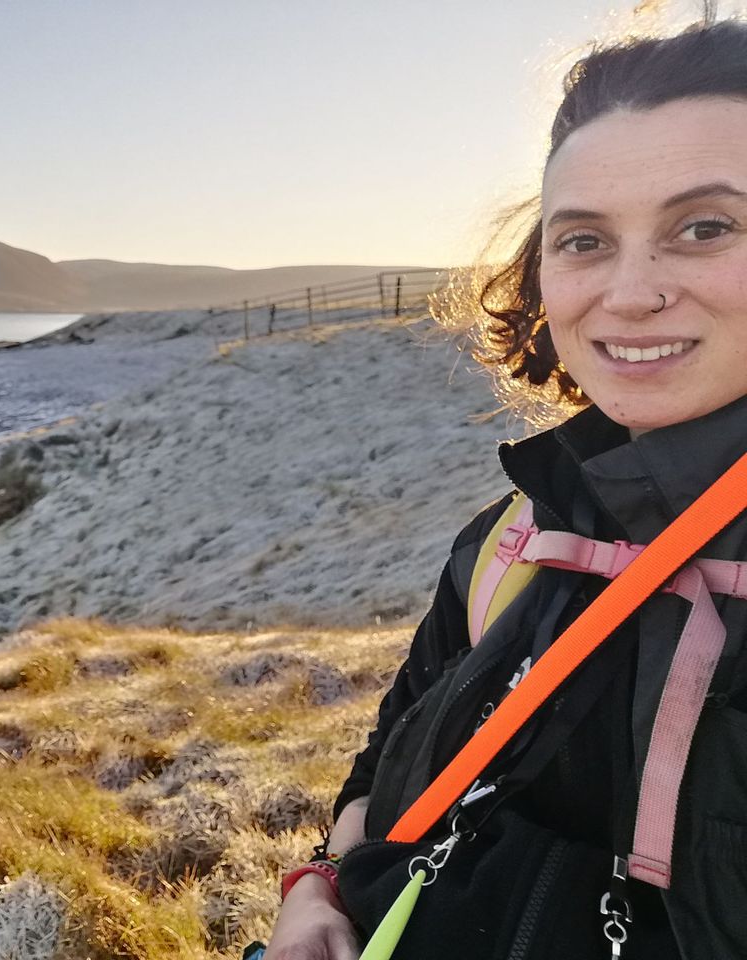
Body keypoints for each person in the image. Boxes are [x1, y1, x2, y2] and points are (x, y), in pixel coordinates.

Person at [264, 19, 747, 960]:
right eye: (583, 240)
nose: (631, 292)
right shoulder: (521, 527)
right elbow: (391, 751)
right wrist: (318, 889)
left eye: (706, 227)